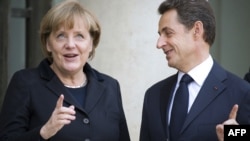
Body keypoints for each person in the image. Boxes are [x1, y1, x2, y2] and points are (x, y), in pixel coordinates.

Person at [0, 0, 130, 141]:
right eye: (61, 36)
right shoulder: (25, 83)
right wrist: (44, 132)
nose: (70, 44)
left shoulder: (110, 86)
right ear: (48, 43)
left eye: (79, 36)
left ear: (91, 43)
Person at [139, 0, 250, 141]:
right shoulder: (153, 95)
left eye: (168, 33)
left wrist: (235, 136)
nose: (159, 43)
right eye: (160, 34)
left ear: (197, 30)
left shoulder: (242, 93)